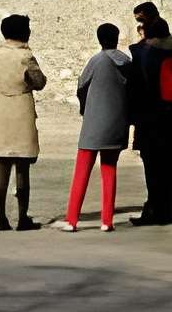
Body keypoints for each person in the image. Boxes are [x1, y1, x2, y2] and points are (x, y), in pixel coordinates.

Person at [54, 23, 132, 232]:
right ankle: (107, 221)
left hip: (94, 122)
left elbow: (81, 85)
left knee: (82, 170)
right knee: (109, 170)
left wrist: (84, 108)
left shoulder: (97, 61)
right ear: (116, 38)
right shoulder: (126, 62)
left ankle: (72, 220)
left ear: (99, 39)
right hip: (117, 123)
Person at [128, 1, 172, 226]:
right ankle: (164, 211)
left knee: (152, 167)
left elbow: (134, 88)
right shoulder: (170, 52)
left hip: (150, 119)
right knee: (166, 164)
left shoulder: (142, 53)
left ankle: (153, 211)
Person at [0, 12, 46, 231]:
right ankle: (22, 218)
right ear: (23, 32)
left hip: (2, 109)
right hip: (21, 109)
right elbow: (39, 82)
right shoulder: (25, 57)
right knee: (22, 168)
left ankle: (2, 219)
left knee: (3, 167)